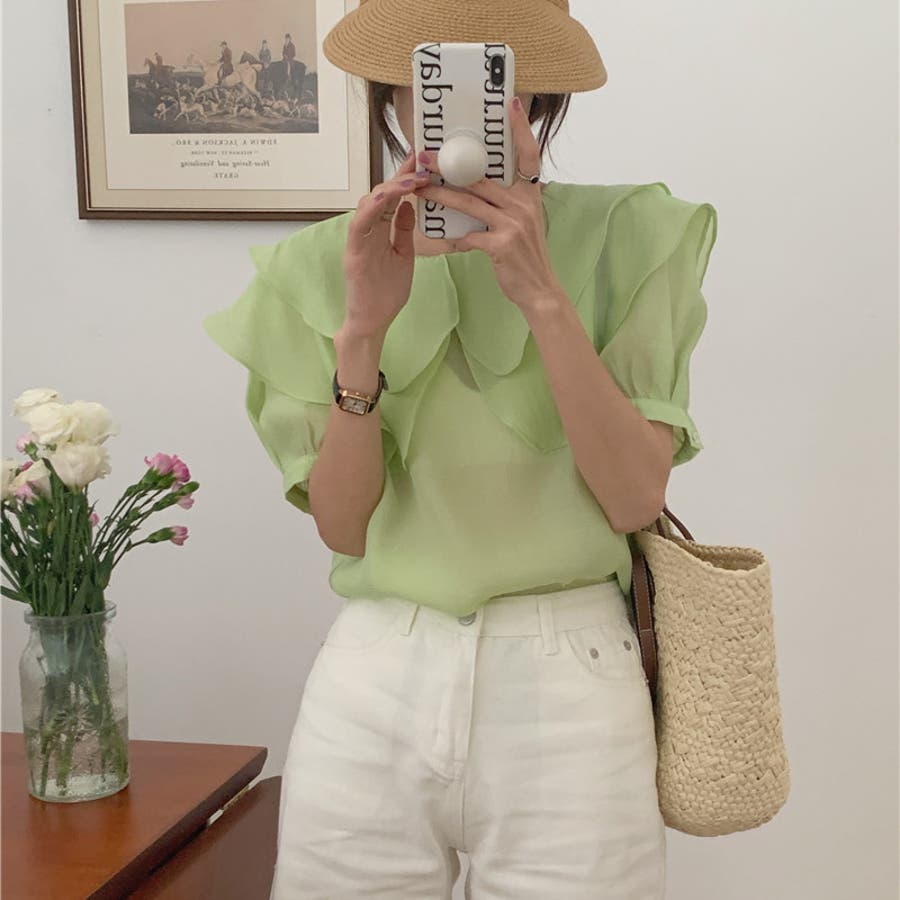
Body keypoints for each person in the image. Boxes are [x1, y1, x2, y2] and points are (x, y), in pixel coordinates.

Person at [203, 2, 717, 897]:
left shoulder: (635, 235)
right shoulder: (321, 264)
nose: (460, 107)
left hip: (572, 682)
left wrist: (544, 297)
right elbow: (344, 526)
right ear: (394, 88)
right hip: (374, 678)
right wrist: (363, 332)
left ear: (533, 94)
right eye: (432, 70)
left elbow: (635, 499)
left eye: (495, 76)